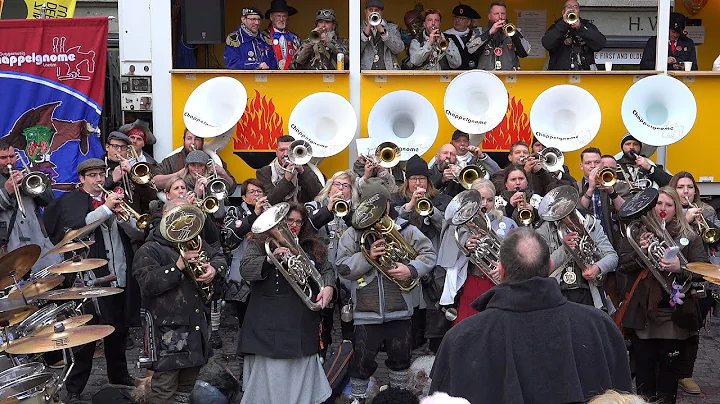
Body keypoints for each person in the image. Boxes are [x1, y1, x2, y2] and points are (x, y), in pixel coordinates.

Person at [430, 228, 633, 402]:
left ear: (501, 271)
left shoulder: (461, 338)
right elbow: (624, 398)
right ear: (551, 266)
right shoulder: (599, 325)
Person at [44, 159, 139, 402]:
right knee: (86, 338)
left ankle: (119, 375)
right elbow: (75, 230)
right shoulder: (72, 202)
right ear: (82, 179)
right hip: (89, 281)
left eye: (101, 175)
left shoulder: (115, 200)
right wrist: (105, 209)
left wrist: (122, 217)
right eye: (93, 176)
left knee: (119, 332)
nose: (99, 180)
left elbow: (139, 232)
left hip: (118, 274)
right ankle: (74, 388)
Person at [336, 180, 437, 401]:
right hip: (365, 310)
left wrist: (411, 269)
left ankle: (398, 397)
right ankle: (358, 398)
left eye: (381, 205)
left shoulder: (407, 229)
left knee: (401, 358)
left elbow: (429, 255)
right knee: (362, 360)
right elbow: (342, 267)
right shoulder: (352, 234)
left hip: (400, 309)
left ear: (389, 203)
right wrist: (366, 257)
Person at [616, 187, 709, 403]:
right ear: (650, 207)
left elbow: (704, 270)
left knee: (668, 378)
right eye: (658, 204)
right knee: (644, 378)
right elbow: (622, 267)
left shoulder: (689, 235)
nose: (663, 209)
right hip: (643, 316)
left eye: (668, 205)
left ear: (676, 208)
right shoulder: (635, 233)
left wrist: (680, 268)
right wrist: (640, 252)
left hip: (673, 316)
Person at [239, 202, 335, 404]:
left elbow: (327, 271)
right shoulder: (259, 243)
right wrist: (270, 259)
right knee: (266, 382)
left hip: (300, 321)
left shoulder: (311, 245)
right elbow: (246, 269)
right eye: (289, 220)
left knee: (300, 379)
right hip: (264, 321)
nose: (293, 225)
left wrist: (328, 287)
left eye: (298, 222)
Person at [133, 197, 225, 404]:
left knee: (186, 389)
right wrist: (178, 267)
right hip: (168, 334)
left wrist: (214, 269)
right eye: (177, 215)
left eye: (187, 215)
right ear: (165, 215)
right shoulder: (149, 249)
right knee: (163, 390)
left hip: (196, 327)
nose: (183, 221)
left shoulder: (194, 241)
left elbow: (219, 256)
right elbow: (147, 284)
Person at [391, 155, 452, 351]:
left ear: (428, 180)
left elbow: (446, 226)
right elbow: (390, 226)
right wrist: (408, 207)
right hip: (405, 261)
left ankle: (433, 347)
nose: (417, 183)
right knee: (412, 311)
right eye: (413, 179)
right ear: (407, 180)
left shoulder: (441, 199)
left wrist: (431, 210)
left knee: (434, 310)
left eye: (422, 179)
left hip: (434, 266)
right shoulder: (396, 199)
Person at [439, 180, 516, 325]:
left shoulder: (507, 223)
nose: (485, 204)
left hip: (500, 284)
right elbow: (447, 257)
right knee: (468, 328)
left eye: (490, 200)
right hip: (472, 282)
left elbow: (517, 255)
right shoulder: (461, 224)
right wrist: (465, 246)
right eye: (480, 199)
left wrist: (504, 267)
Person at [670, 171, 720, 395]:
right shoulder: (666, 211)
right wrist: (685, 220)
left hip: (702, 276)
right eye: (681, 187)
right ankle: (667, 370)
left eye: (689, 187)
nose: (686, 191)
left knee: (693, 326)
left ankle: (685, 374)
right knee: (669, 326)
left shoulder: (706, 211)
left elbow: (716, 236)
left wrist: (703, 221)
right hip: (673, 276)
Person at [536, 187, 618, 311]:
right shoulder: (544, 230)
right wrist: (564, 249)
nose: (567, 219)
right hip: (558, 292)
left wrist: (597, 268)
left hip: (589, 291)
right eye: (561, 215)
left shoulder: (591, 223)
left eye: (568, 212)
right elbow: (540, 269)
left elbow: (612, 256)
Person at [305, 171, 361, 343]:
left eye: (346, 186)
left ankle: (349, 357)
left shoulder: (357, 210)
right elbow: (307, 228)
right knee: (323, 321)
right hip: (322, 271)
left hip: (348, 272)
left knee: (349, 319)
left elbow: (361, 230)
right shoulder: (313, 206)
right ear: (330, 187)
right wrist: (327, 209)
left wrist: (349, 212)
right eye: (337, 184)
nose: (341, 189)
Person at [221, 178, 269, 352]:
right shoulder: (235, 211)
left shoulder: (269, 212)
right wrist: (254, 215)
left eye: (259, 192)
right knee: (245, 319)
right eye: (252, 192)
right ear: (243, 197)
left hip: (266, 271)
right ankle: (245, 353)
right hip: (242, 276)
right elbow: (229, 239)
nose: (257, 195)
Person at [0, 138, 61, 271]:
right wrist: (6, 191)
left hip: (39, 244)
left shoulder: (25, 173)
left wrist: (30, 188)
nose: (9, 162)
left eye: (11, 156)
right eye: (3, 158)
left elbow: (49, 200)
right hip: (10, 248)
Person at [155, 129, 238, 195]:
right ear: (184, 140)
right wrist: (178, 175)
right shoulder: (173, 160)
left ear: (202, 142)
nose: (193, 143)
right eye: (189, 138)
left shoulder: (212, 159)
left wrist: (222, 173)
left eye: (197, 139)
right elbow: (154, 182)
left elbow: (231, 189)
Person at [577, 147, 627, 247]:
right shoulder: (575, 187)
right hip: (587, 241)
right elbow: (578, 212)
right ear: (581, 166)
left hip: (613, 240)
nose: (593, 166)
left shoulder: (617, 185)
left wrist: (611, 191)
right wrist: (590, 189)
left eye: (596, 162)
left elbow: (626, 210)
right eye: (588, 163)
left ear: (602, 164)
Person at [256, 135, 323, 204]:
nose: (285, 154)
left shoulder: (304, 168)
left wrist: (302, 172)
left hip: (302, 212)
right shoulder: (264, 172)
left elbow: (319, 195)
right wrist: (286, 180)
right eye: (282, 150)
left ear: (294, 151)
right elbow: (270, 201)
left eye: (289, 150)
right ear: (276, 152)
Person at [541, 0, 606, 70]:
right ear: (563, 12)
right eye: (569, 7)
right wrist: (563, 24)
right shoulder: (556, 26)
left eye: (576, 7)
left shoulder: (587, 26)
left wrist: (580, 27)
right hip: (560, 75)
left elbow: (600, 43)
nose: (572, 9)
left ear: (579, 12)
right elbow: (547, 43)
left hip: (584, 74)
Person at [471, 2, 530, 71]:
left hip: (509, 76)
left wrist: (515, 36)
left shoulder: (514, 31)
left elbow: (524, 53)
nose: (500, 17)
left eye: (503, 14)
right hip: (487, 76)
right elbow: (471, 51)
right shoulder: (479, 31)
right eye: (496, 14)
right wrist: (489, 33)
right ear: (489, 16)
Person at [490, 141, 558, 197]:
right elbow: (501, 191)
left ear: (529, 155)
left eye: (525, 152)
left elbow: (553, 191)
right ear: (510, 157)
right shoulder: (499, 175)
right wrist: (525, 172)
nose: (522, 155)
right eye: (517, 152)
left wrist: (540, 172)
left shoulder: (537, 173)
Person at [360, 0, 404, 70]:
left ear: (382, 12)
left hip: (389, 73)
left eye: (377, 10)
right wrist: (366, 30)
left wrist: (383, 32)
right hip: (366, 75)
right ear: (365, 11)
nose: (373, 13)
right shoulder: (357, 29)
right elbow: (354, 53)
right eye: (370, 10)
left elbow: (399, 49)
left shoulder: (392, 28)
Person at [260, 0, 301, 70]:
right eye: (278, 16)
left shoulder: (295, 38)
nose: (281, 19)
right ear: (271, 17)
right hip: (271, 77)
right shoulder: (262, 37)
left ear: (287, 18)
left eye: (284, 16)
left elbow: (301, 59)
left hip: (292, 77)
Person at [443, 4, 482, 70]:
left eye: (461, 18)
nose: (457, 20)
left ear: (468, 22)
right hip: (452, 75)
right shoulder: (445, 36)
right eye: (456, 17)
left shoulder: (475, 35)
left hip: (473, 73)